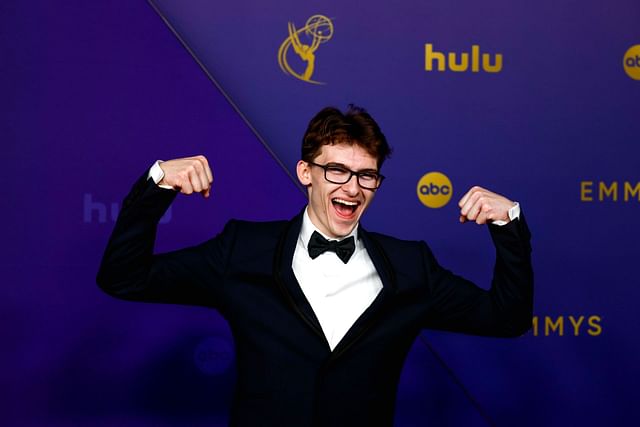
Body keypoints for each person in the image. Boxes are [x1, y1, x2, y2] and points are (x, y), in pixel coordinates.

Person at [97, 105, 533, 427]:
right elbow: (123, 277)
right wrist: (156, 185)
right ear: (306, 172)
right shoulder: (243, 250)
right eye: (337, 171)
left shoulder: (410, 265)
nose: (353, 187)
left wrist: (509, 224)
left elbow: (506, 317)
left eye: (367, 175)